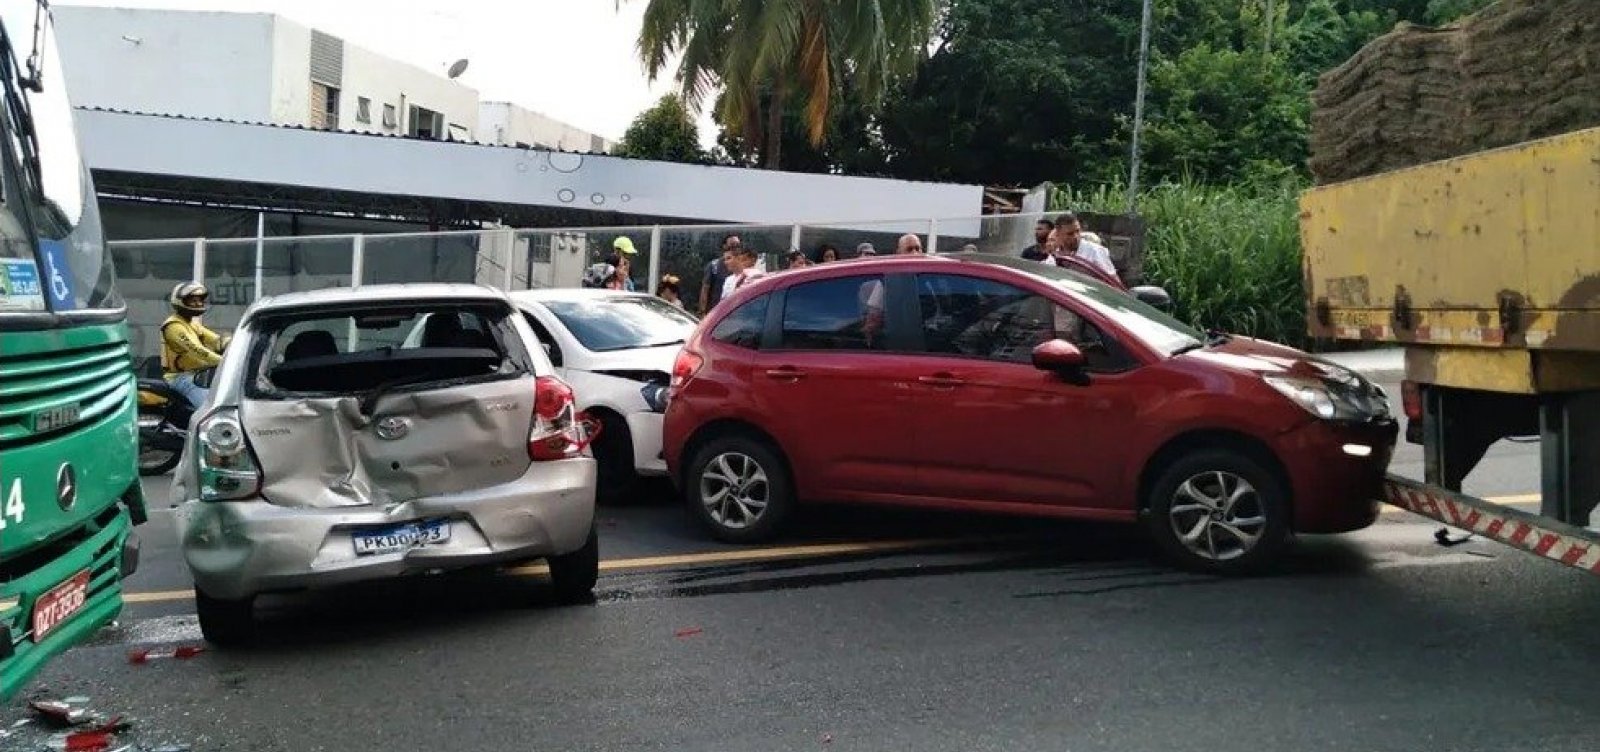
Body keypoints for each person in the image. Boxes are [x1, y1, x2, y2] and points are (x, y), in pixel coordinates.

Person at [160, 282, 225, 408]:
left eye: (200, 300)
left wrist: (231, 343)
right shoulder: (174, 326)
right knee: (209, 408)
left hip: (195, 375)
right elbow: (198, 352)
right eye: (193, 301)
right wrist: (225, 361)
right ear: (181, 301)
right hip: (180, 379)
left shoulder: (191, 324)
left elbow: (215, 340)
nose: (198, 304)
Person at [1046, 212, 1118, 278]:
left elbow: (1113, 280)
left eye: (1077, 231)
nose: (1075, 236)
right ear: (1058, 234)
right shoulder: (1054, 257)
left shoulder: (1094, 251)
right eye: (1070, 234)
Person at [699, 234, 740, 314]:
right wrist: (702, 312)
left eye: (738, 246)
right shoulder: (714, 266)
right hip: (716, 313)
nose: (735, 249)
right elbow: (705, 289)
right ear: (725, 247)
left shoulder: (743, 266)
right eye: (732, 246)